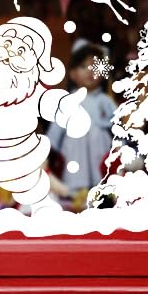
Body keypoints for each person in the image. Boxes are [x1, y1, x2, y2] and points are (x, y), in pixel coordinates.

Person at [46, 43, 115, 202]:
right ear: (73, 74)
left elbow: (117, 126)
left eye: (95, 66)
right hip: (74, 148)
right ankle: (75, 192)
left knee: (102, 175)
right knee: (75, 174)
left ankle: (102, 192)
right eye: (84, 66)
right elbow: (56, 128)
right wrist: (48, 148)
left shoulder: (105, 101)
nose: (90, 71)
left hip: (100, 146)